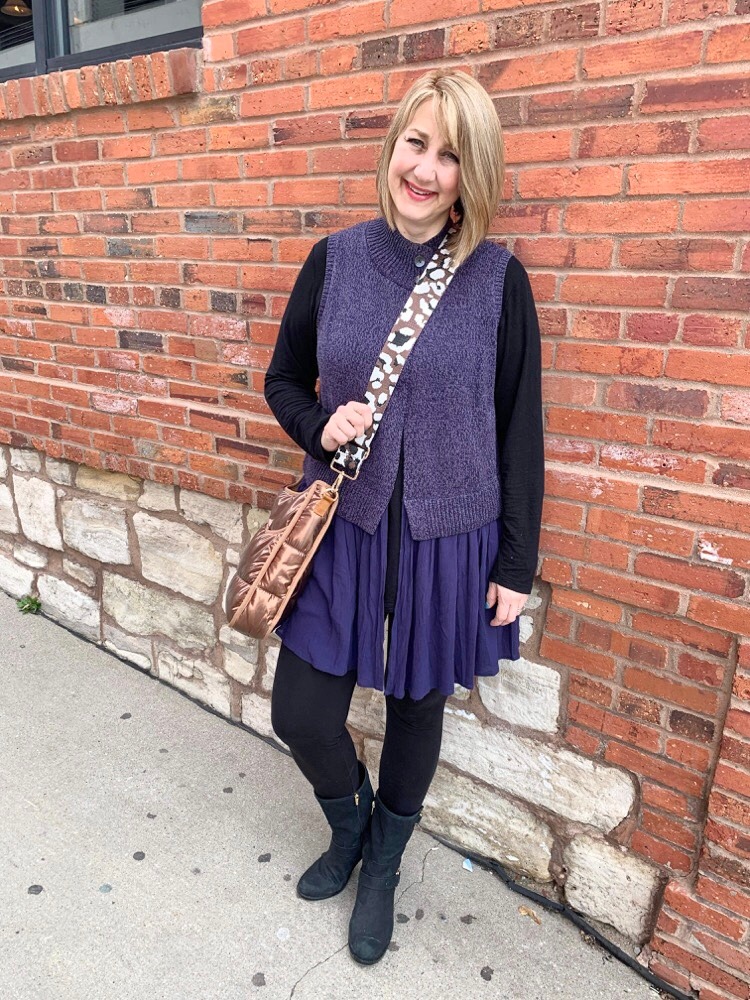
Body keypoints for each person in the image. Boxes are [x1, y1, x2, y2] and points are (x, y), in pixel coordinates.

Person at [263, 68, 544, 966]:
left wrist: (514, 566)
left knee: (419, 707)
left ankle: (383, 861)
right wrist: (319, 420)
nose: (425, 169)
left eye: (450, 155)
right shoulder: (335, 259)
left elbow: (519, 429)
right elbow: (281, 379)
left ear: (474, 173)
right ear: (392, 148)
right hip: (344, 525)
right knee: (302, 712)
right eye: (416, 144)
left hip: (446, 537)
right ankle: (348, 825)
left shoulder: (497, 281)